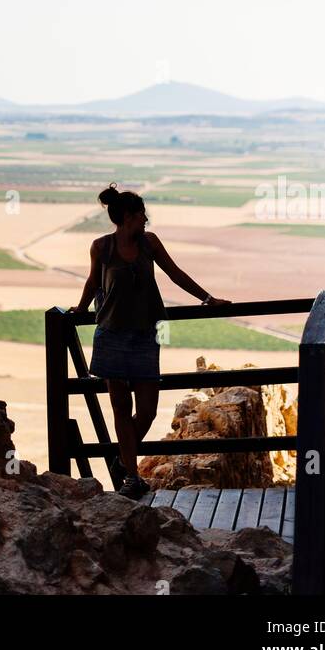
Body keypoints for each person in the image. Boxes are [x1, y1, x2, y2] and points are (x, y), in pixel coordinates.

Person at [68, 183, 230, 500]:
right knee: (120, 408)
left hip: (144, 335)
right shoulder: (101, 247)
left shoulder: (149, 243)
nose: (146, 219)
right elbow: (92, 281)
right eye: (142, 214)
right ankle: (131, 476)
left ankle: (122, 458)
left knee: (147, 411)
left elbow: (174, 273)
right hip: (111, 334)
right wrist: (81, 308)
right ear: (128, 216)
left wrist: (208, 299)